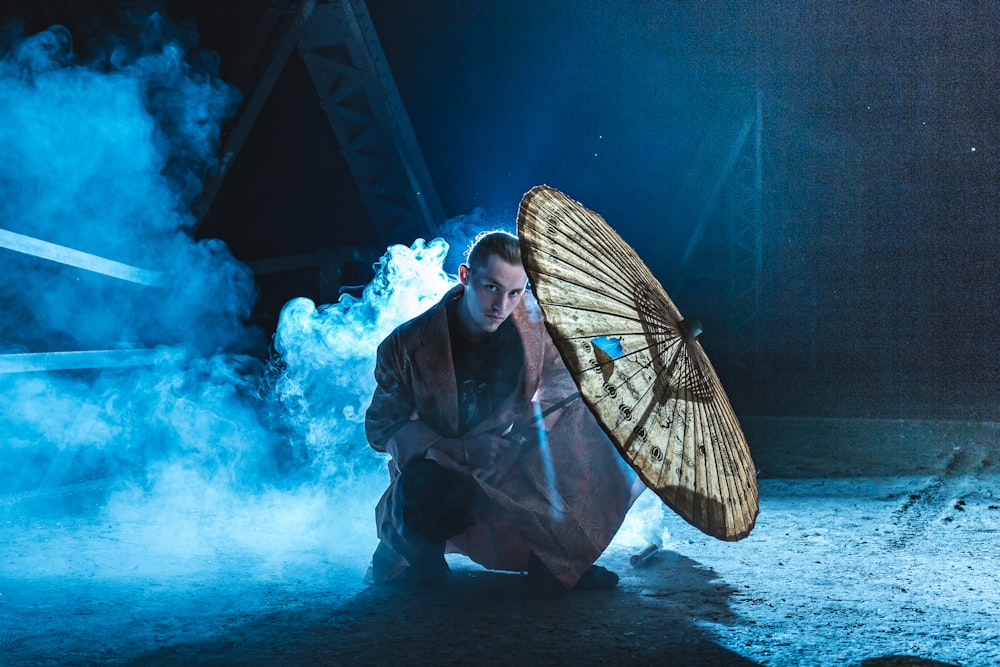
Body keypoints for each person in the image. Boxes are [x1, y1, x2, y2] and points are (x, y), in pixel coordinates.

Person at [364, 230, 636, 591]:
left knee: (594, 426)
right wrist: (456, 448)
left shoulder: (535, 329)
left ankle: (554, 563)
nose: (501, 306)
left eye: (514, 292)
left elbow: (561, 385)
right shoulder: (407, 344)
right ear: (465, 277)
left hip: (511, 459)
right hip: (443, 467)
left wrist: (521, 441)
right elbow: (382, 426)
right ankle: (423, 562)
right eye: (491, 287)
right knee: (424, 492)